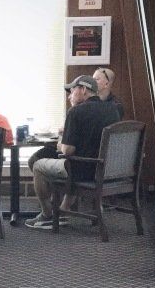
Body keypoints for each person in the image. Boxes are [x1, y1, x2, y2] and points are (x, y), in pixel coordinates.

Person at [29, 75, 122, 229]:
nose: (69, 96)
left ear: (84, 89)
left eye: (72, 91)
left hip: (81, 170)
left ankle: (47, 214)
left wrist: (60, 145)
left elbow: (68, 150)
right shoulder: (113, 109)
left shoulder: (76, 112)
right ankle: (63, 210)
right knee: (65, 162)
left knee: (38, 165)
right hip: (106, 169)